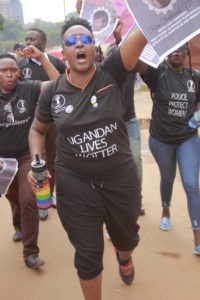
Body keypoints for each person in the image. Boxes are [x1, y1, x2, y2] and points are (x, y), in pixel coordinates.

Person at [28, 17, 147, 300]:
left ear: (94, 47)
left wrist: (155, 9)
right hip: (75, 181)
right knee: (88, 252)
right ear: (64, 53)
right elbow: (37, 129)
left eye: (85, 39)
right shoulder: (53, 93)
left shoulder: (113, 73)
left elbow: (143, 33)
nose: (79, 43)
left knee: (127, 239)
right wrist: (36, 162)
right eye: (71, 41)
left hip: (119, 176)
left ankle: (124, 256)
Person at [137, 44, 200, 255]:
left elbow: (198, 101)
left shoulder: (194, 77)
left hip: (187, 138)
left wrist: (197, 116)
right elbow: (139, 62)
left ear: (186, 53)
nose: (175, 51)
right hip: (161, 140)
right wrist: (123, 37)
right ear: (166, 52)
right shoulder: (158, 74)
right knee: (168, 176)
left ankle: (197, 238)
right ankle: (166, 210)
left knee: (191, 184)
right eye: (171, 48)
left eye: (180, 48)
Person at [0, 47, 59, 268]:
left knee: (28, 198)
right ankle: (18, 227)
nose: (10, 74)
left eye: (14, 70)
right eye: (4, 70)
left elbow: (60, 82)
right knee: (13, 197)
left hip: (27, 156)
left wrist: (42, 57)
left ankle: (30, 252)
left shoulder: (30, 88)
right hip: (2, 162)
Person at [18, 28, 66, 220]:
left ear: (43, 44)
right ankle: (41, 199)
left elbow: (65, 84)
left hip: (53, 120)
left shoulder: (55, 63)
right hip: (31, 123)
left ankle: (49, 193)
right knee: (38, 161)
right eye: (27, 38)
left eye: (33, 39)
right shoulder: (20, 65)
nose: (28, 42)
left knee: (52, 160)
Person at [105, 18, 145, 215]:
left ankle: (137, 197)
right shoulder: (102, 76)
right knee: (112, 165)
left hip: (129, 122)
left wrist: (120, 38)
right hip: (109, 127)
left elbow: (129, 53)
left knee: (135, 160)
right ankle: (116, 201)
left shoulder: (128, 71)